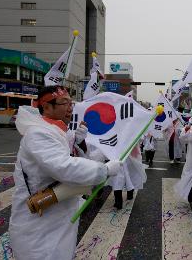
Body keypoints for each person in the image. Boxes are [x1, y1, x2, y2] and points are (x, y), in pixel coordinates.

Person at [9, 85, 122, 260]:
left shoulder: (58, 131)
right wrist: (104, 170)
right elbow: (63, 166)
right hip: (40, 223)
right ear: (46, 107)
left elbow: (70, 152)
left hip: (57, 213)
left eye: (71, 103)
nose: (70, 107)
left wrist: (77, 140)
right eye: (64, 103)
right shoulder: (38, 133)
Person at [109, 145, 147, 210]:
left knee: (130, 178)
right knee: (117, 181)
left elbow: (137, 145)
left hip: (130, 158)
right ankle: (118, 203)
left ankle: (129, 194)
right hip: (118, 159)